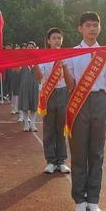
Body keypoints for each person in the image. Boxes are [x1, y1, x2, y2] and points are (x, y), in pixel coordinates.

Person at [63, 12, 106, 211]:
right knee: (78, 153)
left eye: (95, 25)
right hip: (79, 103)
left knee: (96, 153)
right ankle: (79, 199)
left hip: (100, 101)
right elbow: (71, 86)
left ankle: (93, 199)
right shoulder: (72, 53)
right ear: (80, 29)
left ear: (100, 28)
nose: (92, 29)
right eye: (88, 25)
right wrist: (64, 67)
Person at [39, 28, 70, 174]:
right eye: (54, 38)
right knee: (49, 128)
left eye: (59, 38)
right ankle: (50, 160)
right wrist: (33, 65)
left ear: (62, 40)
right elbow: (39, 77)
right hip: (48, 93)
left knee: (61, 128)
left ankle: (61, 160)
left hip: (63, 92)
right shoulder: (43, 57)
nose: (57, 40)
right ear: (49, 41)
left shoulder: (68, 56)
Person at [18, 41, 42, 131]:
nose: (30, 48)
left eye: (32, 47)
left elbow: (40, 75)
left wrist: (37, 63)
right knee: (25, 105)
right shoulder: (22, 59)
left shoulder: (38, 59)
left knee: (34, 106)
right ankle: (26, 125)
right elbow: (17, 71)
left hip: (35, 85)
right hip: (24, 85)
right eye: (29, 47)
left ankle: (32, 124)